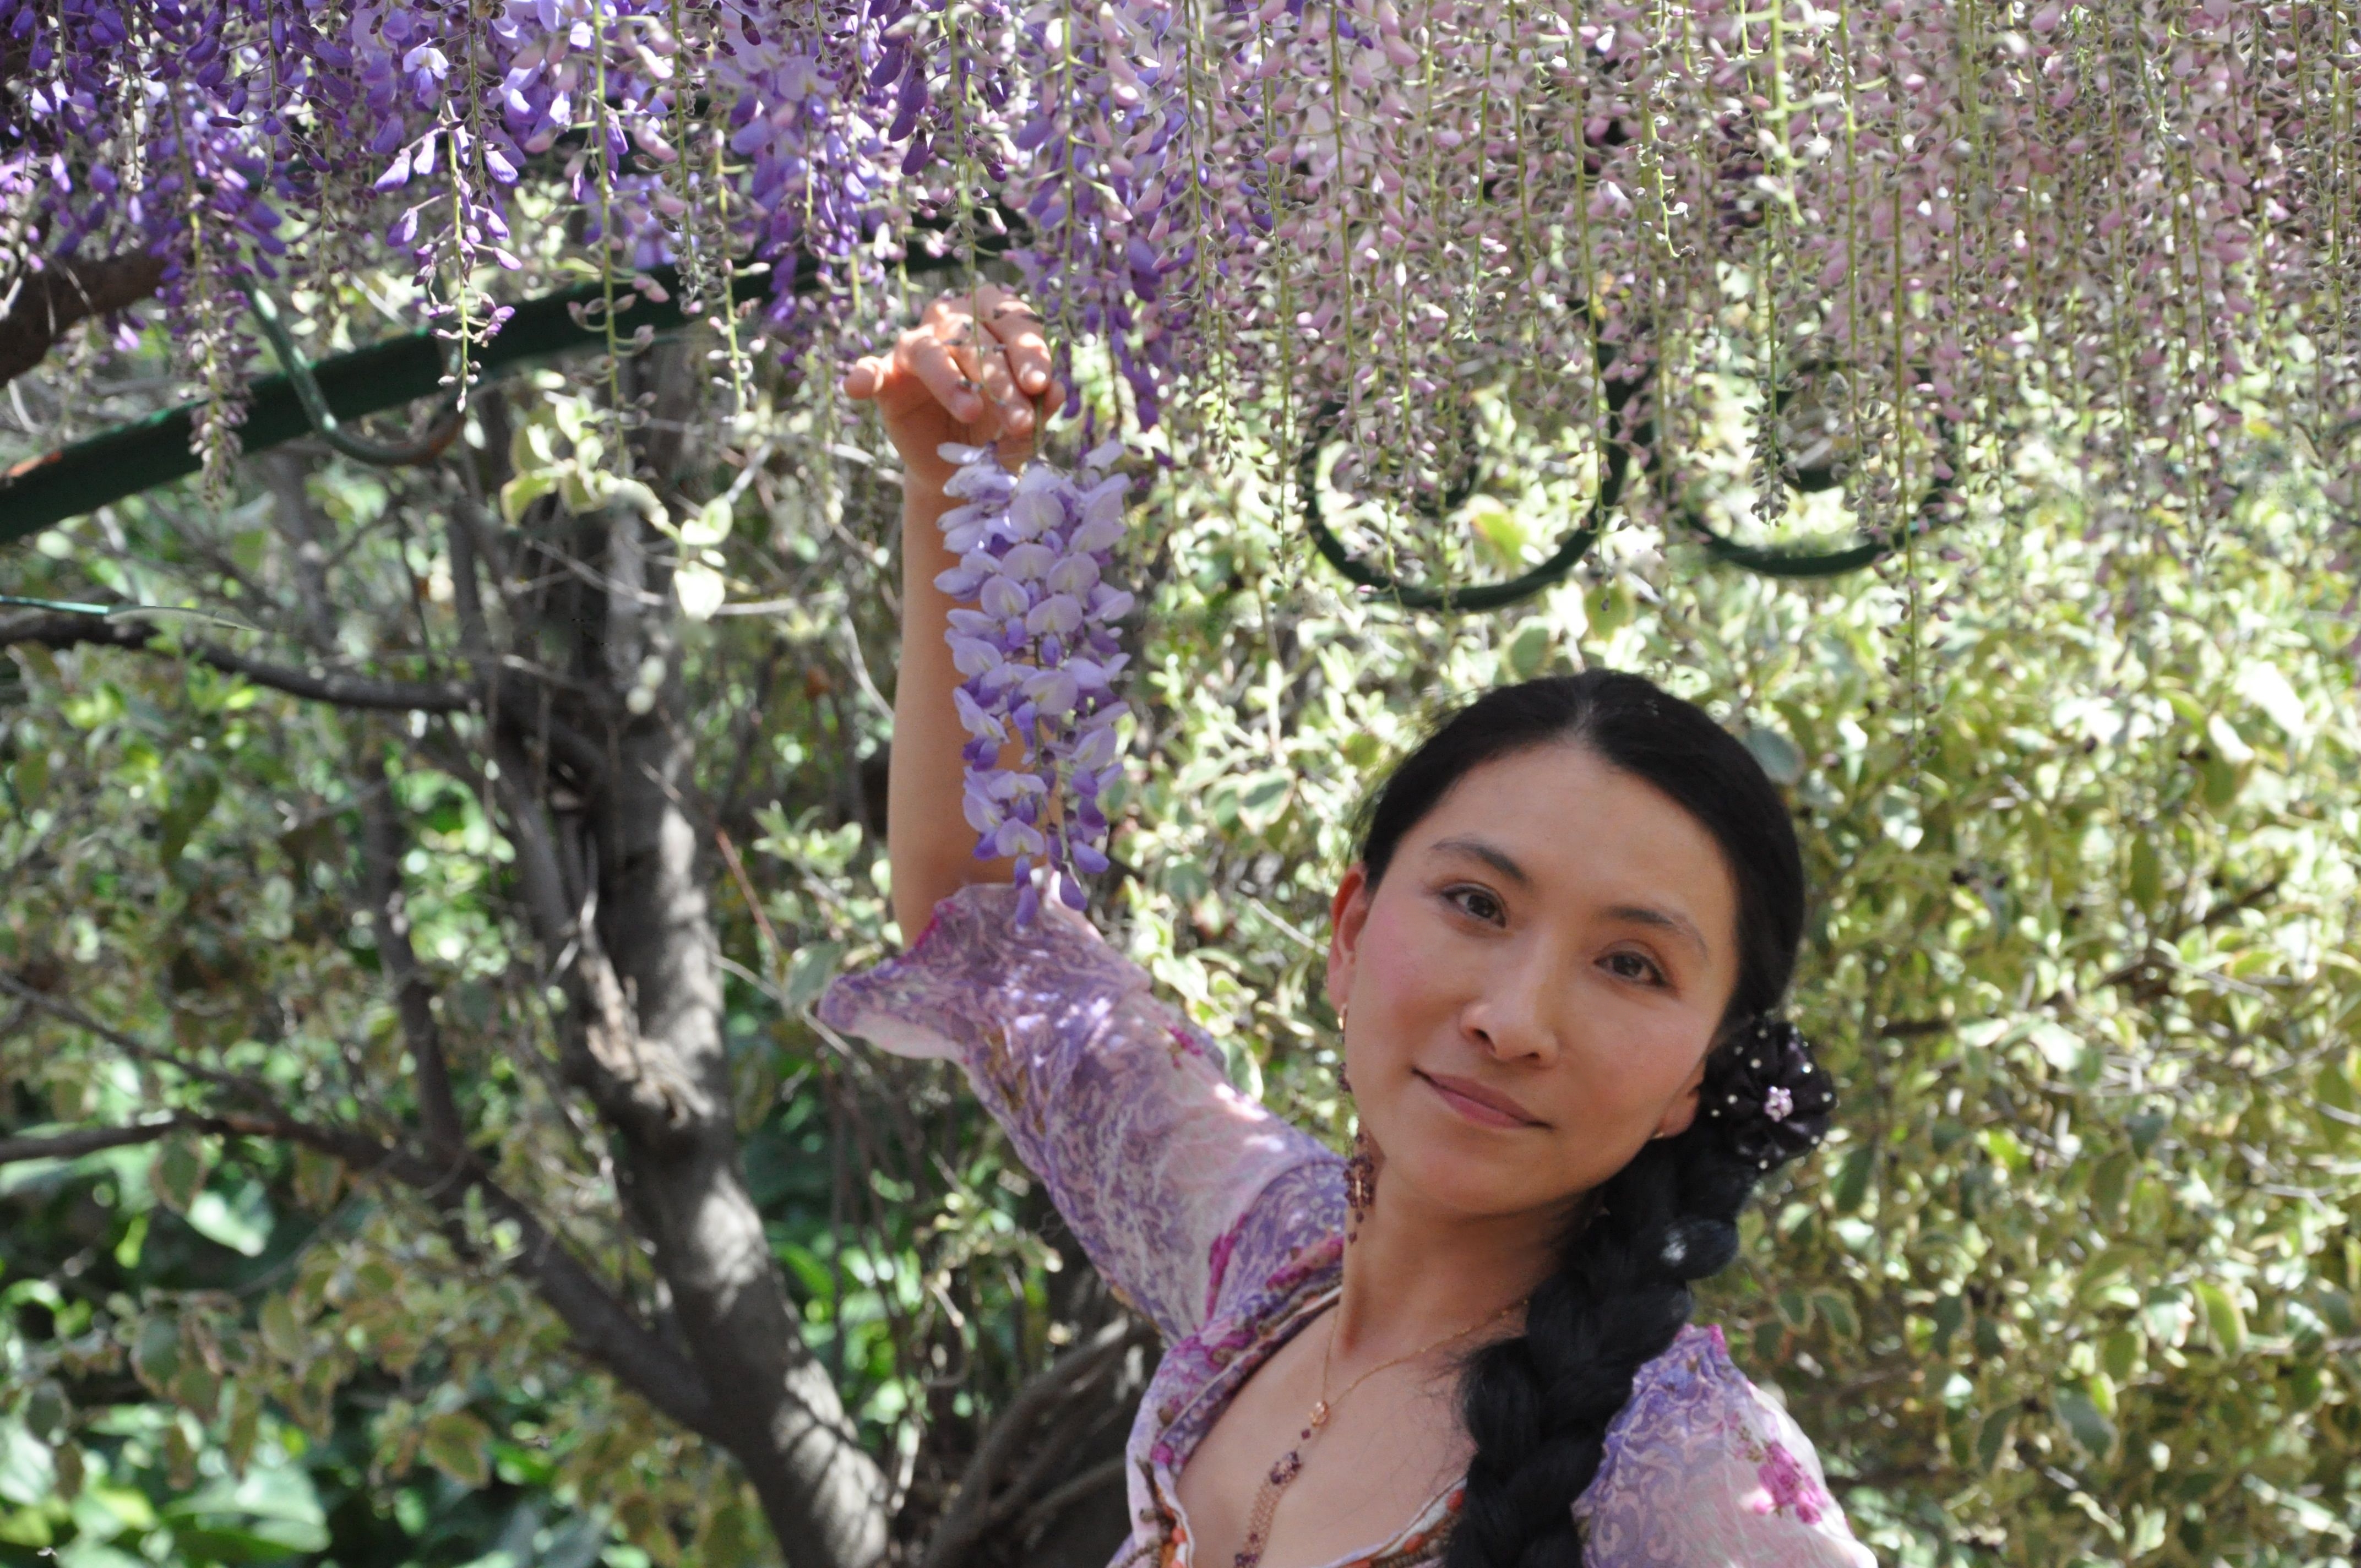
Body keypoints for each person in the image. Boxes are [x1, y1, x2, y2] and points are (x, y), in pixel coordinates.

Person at [824, 283, 1876, 1568]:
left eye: (1629, 964)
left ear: (1694, 1081)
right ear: (1348, 928)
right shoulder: (1263, 1249)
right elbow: (988, 939)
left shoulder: (1693, 1474)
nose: (1511, 1017)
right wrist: (957, 486)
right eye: (1476, 902)